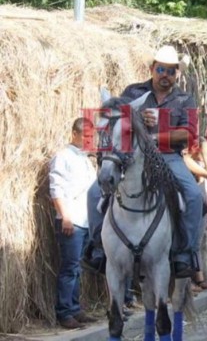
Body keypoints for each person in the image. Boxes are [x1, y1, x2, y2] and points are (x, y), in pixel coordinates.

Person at [83, 45, 203, 279]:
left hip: (168, 156)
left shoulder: (184, 99)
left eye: (171, 71)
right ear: (152, 69)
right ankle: (97, 247)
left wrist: (154, 136)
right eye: (161, 69)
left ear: (176, 73)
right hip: (133, 156)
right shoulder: (133, 92)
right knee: (94, 194)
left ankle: (183, 254)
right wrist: (137, 119)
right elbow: (117, 119)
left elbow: (189, 134)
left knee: (194, 195)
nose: (165, 75)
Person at [49, 117, 98, 329]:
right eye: (85, 136)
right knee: (69, 268)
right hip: (72, 221)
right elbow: (56, 188)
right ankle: (64, 312)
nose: (89, 140)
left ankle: (75, 309)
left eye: (91, 136)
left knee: (77, 268)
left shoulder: (86, 159)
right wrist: (65, 217)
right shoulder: (63, 157)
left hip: (86, 221)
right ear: (74, 134)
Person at [182, 136, 207, 292]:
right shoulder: (185, 161)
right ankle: (186, 280)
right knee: (187, 243)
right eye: (203, 148)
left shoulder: (197, 162)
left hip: (201, 206)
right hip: (188, 207)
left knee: (196, 244)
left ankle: (199, 279)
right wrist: (203, 153)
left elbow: (204, 188)